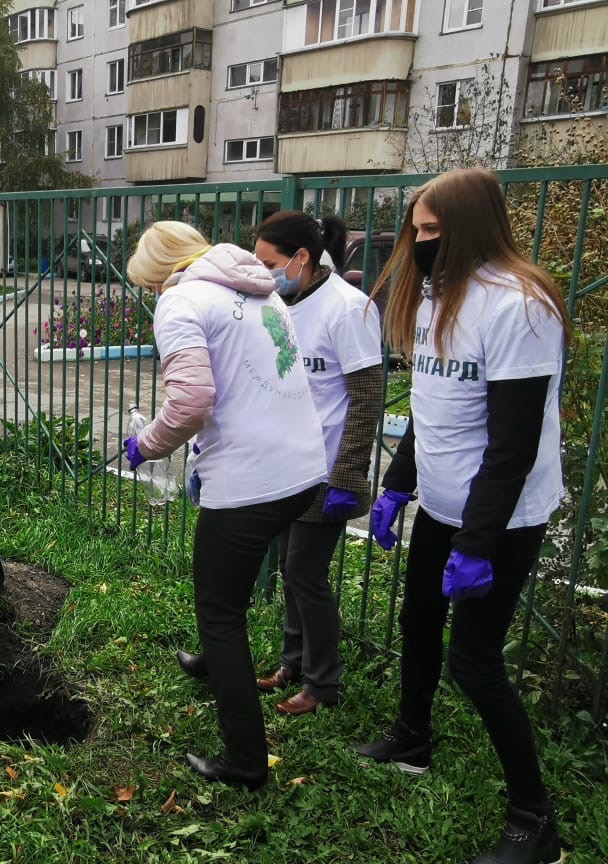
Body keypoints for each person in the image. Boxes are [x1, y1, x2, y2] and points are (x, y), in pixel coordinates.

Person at [356, 167, 569, 864]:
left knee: (475, 663)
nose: (417, 244)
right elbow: (431, 412)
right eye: (415, 230)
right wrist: (396, 485)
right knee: (417, 620)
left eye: (431, 232)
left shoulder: (520, 306)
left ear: (470, 227)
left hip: (501, 519)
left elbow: (511, 446)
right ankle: (411, 737)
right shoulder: (435, 298)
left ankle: (535, 820)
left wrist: (477, 544)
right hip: (446, 504)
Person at [123, 221, 328, 790]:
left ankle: (244, 761)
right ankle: (214, 664)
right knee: (228, 589)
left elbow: (190, 402)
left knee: (220, 612)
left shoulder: (181, 299)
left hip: (252, 477)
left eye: (146, 284)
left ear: (161, 271)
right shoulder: (260, 290)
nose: (149, 294)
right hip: (304, 469)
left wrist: (146, 444)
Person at [175, 213, 383, 716]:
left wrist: (347, 474)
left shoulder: (348, 309)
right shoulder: (279, 304)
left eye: (269, 263)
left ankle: (322, 685)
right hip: (286, 466)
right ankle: (292, 663)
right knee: (289, 570)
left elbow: (368, 396)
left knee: (305, 575)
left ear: (302, 259)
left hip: (326, 469)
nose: (262, 272)